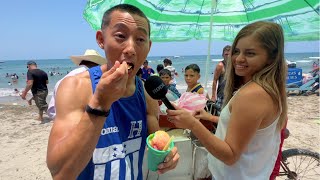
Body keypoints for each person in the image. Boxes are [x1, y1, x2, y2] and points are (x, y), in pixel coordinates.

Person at [46, 4, 179, 179]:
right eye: (120, 36)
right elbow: (60, 173)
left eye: (140, 39)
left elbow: (156, 143)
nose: (130, 49)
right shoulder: (76, 87)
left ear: (149, 46)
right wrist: (100, 103)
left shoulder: (145, 94)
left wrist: (167, 156)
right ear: (101, 39)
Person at [167, 21, 287, 179]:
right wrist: (209, 117)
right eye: (236, 51)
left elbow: (230, 155)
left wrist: (192, 124)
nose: (238, 59)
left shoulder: (252, 94)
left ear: (271, 58)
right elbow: (246, 128)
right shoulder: (267, 89)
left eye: (250, 53)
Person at [47, 49, 106, 119]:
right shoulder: (90, 79)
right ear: (96, 65)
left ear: (81, 63)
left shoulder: (65, 78)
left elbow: (51, 110)